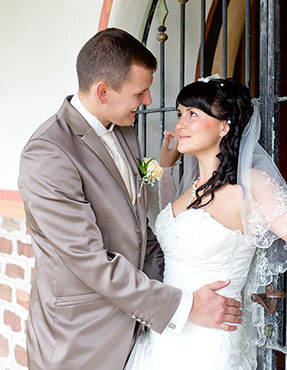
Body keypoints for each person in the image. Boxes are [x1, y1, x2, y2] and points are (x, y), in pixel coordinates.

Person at [18, 29, 242, 370]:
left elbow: (138, 230)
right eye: (140, 92)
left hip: (139, 333)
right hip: (79, 342)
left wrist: (193, 282)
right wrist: (184, 306)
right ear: (103, 91)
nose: (149, 100)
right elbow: (89, 261)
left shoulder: (123, 130)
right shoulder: (48, 154)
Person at [124, 77, 287, 370]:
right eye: (179, 114)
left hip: (209, 346)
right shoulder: (189, 189)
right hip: (164, 337)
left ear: (224, 126)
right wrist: (165, 169)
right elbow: (172, 232)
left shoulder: (251, 187)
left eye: (193, 114)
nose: (180, 125)